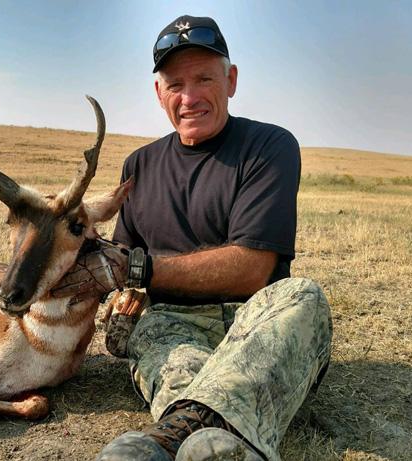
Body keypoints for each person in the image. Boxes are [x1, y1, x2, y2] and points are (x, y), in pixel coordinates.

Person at [51, 14, 332, 461]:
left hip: (257, 323)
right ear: (158, 92)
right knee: (154, 332)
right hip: (172, 325)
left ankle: (168, 439)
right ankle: (215, 443)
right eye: (175, 84)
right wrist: (113, 281)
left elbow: (252, 269)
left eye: (204, 79)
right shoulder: (139, 165)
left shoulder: (270, 146)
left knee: (302, 296)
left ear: (231, 80)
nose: (190, 97)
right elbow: (124, 257)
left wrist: (138, 269)